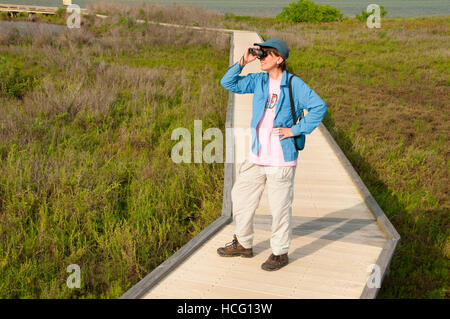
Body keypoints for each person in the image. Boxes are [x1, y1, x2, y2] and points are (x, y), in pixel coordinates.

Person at [217, 38, 327, 271]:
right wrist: (242, 62)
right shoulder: (259, 81)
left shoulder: (294, 84)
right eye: (261, 53)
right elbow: (228, 82)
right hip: (256, 156)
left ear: (280, 59)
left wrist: (295, 130)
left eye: (266, 54)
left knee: (279, 208)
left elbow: (319, 107)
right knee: (241, 199)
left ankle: (279, 253)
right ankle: (244, 244)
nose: (262, 57)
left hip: (281, 159)